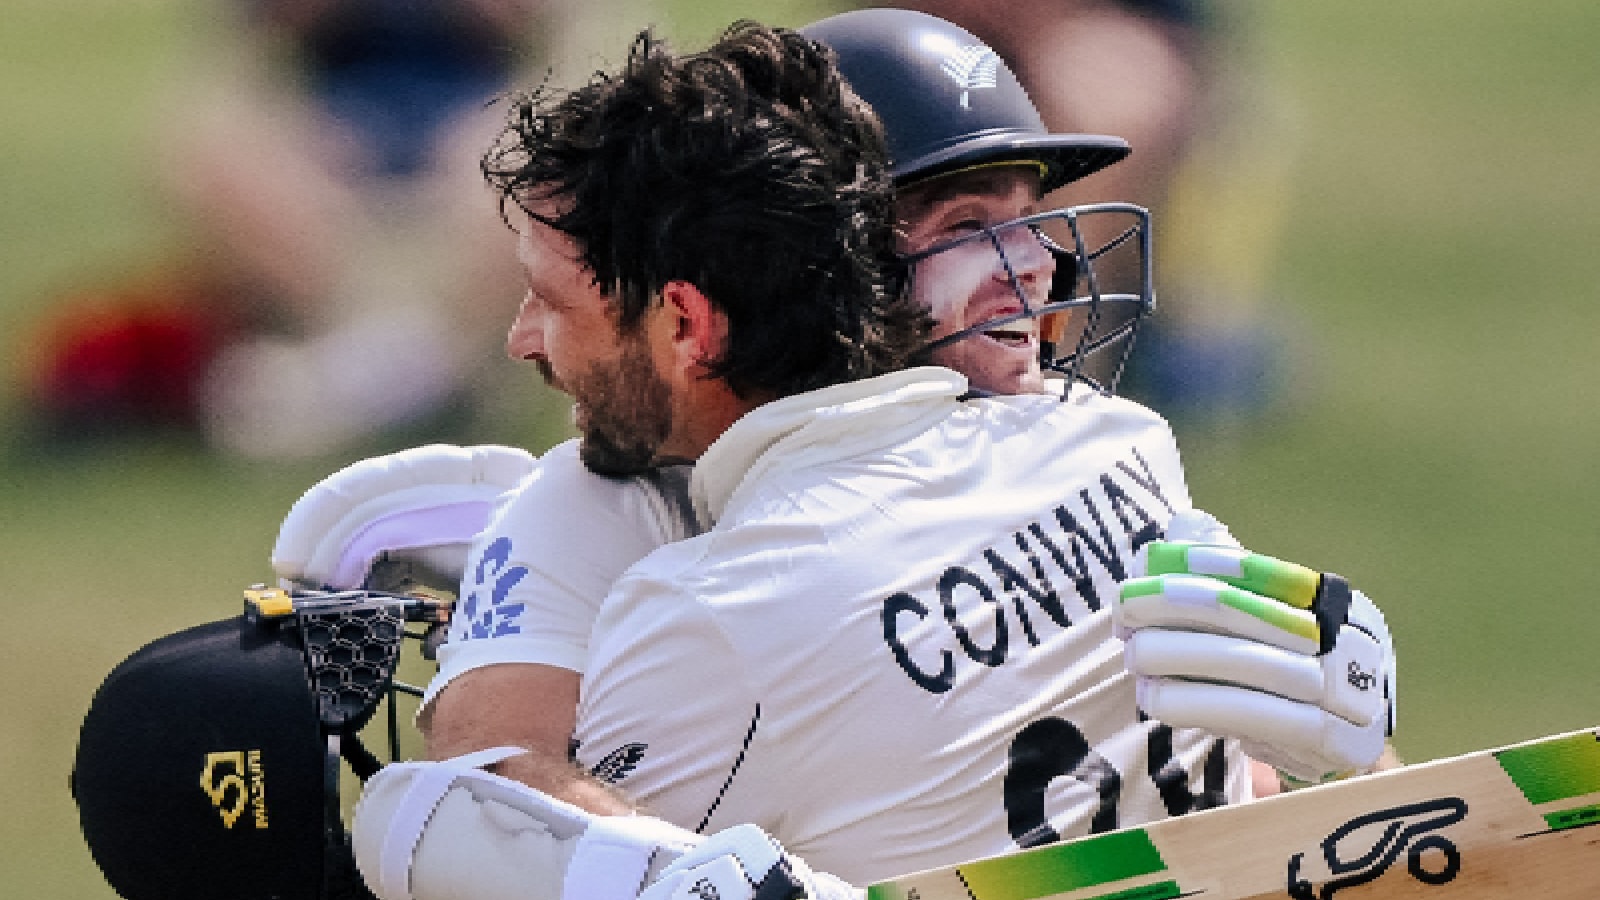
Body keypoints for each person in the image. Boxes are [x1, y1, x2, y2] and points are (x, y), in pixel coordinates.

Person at [257, 11, 1394, 899]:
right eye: (963, 228)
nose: (1036, 267)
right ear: (841, 244)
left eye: (1022, 218)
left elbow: (473, 814)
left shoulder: (706, 605)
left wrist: (1350, 762)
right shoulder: (1118, 442)